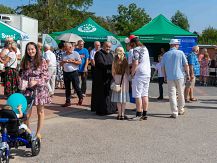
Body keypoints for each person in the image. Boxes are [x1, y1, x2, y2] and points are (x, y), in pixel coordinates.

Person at [20, 42, 51, 139]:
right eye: (28, 49)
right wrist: (23, 83)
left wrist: (36, 81)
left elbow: (46, 76)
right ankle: (29, 132)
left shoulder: (42, 60)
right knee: (26, 113)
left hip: (40, 89)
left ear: (36, 49)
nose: (30, 51)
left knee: (40, 111)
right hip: (28, 89)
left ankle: (38, 133)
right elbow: (23, 75)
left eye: (32, 49)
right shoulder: (25, 60)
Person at [161, 39, 190, 118]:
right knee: (181, 93)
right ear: (175, 45)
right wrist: (188, 74)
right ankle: (181, 109)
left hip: (170, 77)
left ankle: (174, 112)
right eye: (178, 44)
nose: (178, 45)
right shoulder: (180, 53)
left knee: (172, 95)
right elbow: (186, 65)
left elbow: (162, 67)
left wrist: (164, 76)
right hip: (180, 76)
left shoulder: (166, 54)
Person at [91, 41, 116, 115]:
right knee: (102, 95)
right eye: (107, 46)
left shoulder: (111, 54)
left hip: (109, 78)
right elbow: (100, 64)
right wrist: (112, 66)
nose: (108, 48)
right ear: (103, 46)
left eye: (109, 47)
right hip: (101, 78)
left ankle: (111, 109)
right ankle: (102, 110)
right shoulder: (99, 53)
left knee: (109, 94)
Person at [129, 37, 151, 121]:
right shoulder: (145, 48)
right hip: (147, 73)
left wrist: (132, 74)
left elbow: (135, 63)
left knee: (137, 94)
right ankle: (145, 114)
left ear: (133, 43)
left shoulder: (136, 50)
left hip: (139, 73)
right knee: (145, 94)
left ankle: (138, 114)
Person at [60, 42, 83, 107]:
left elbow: (80, 62)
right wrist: (63, 62)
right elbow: (60, 64)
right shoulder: (63, 54)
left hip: (74, 72)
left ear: (70, 47)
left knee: (76, 87)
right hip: (65, 72)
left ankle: (80, 98)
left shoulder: (75, 53)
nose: (64, 48)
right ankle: (68, 101)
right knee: (67, 88)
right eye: (64, 47)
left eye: (65, 47)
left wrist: (72, 61)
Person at [111, 47, 130, 120]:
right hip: (124, 79)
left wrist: (116, 77)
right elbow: (128, 72)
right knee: (123, 99)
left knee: (118, 99)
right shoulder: (125, 60)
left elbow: (113, 72)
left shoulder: (114, 61)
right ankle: (122, 114)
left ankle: (119, 114)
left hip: (117, 79)